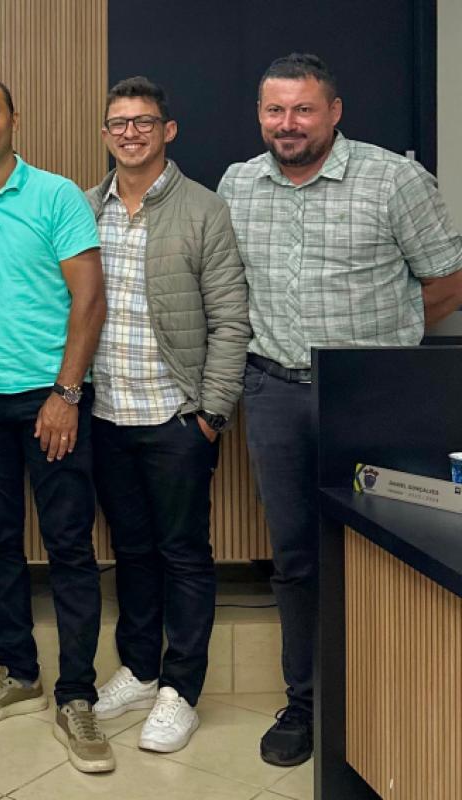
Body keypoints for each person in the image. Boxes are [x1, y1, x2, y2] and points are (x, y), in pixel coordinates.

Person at [218, 52, 462, 768]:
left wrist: (378, 349)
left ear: (334, 112)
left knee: (394, 551)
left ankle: (404, 698)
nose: (287, 124)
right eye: (274, 110)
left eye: (302, 109)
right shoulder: (238, 184)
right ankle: (308, 702)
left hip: (373, 399)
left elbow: (446, 284)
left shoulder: (394, 179)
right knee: (296, 558)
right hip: (273, 394)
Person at [0, 76, 114, 773]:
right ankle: (18, 670)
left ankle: (76, 695)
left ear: (14, 119)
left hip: (50, 398)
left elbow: (88, 299)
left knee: (68, 545)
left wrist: (67, 392)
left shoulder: (57, 195)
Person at [85, 76, 249, 753]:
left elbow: (232, 320)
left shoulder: (204, 209)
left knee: (183, 553)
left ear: (167, 130)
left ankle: (182, 687)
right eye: (119, 123)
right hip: (106, 415)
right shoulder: (84, 207)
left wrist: (210, 412)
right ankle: (143, 669)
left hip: (177, 417)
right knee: (131, 550)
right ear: (105, 134)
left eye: (144, 122)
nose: (131, 133)